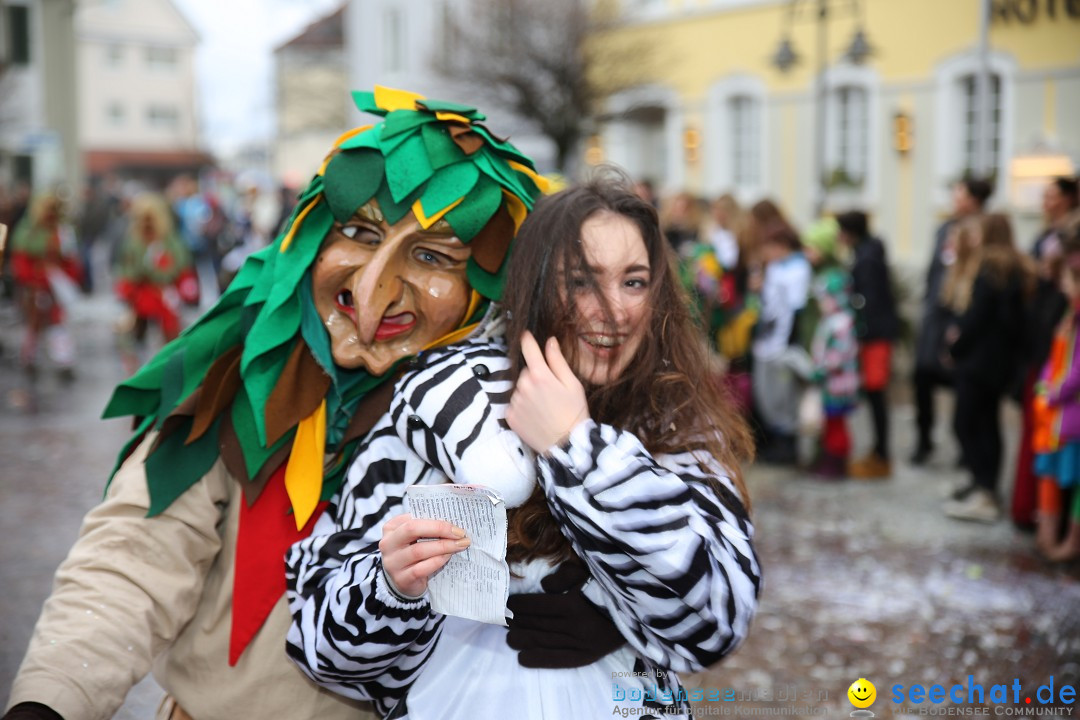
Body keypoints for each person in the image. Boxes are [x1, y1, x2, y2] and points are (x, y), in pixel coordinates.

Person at [3, 87, 546, 720]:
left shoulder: (510, 420)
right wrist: (50, 700)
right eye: (359, 232)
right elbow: (133, 559)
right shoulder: (238, 372)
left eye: (432, 256)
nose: (372, 292)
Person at [285, 177, 760, 719]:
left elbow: (717, 623)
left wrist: (576, 449)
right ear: (533, 290)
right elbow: (320, 650)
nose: (613, 310)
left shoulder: (674, 426)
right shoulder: (439, 416)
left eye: (634, 282)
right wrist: (391, 586)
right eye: (581, 281)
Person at [941, 213, 1033, 522]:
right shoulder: (1015, 266)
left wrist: (955, 346)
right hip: (999, 360)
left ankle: (985, 489)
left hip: (980, 359)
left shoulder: (990, 267)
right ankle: (985, 487)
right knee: (987, 423)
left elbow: (978, 316)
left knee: (968, 423)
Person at [911, 178, 992, 466]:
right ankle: (923, 439)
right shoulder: (944, 229)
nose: (954, 200)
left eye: (960, 194)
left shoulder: (985, 230)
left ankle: (966, 447)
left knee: (960, 384)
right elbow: (935, 271)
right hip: (935, 316)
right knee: (922, 376)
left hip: (960, 317)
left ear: (975, 199)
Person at [837, 210, 900, 479]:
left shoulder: (867, 258)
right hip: (876, 334)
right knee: (874, 396)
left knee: (876, 395)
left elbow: (869, 301)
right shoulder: (867, 253)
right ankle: (878, 453)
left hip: (875, 336)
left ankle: (881, 457)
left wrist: (860, 330)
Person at [1033, 212, 1080, 559]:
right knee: (1050, 470)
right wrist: (1045, 386)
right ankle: (1048, 535)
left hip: (1070, 411)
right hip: (1056, 412)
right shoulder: (1068, 316)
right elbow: (1056, 358)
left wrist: (1057, 390)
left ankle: (1068, 543)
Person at [751, 207, 812, 465]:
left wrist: (789, 343)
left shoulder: (798, 268)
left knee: (783, 395)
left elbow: (796, 308)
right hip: (767, 340)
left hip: (782, 342)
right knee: (767, 394)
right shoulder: (776, 268)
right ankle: (776, 442)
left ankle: (788, 446)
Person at [113, 192, 196, 374]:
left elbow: (180, 266)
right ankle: (139, 370)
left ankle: (168, 368)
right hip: (141, 296)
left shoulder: (171, 242)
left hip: (165, 296)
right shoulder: (133, 243)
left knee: (171, 337)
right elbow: (128, 270)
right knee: (134, 337)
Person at [8, 192, 82, 381]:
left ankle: (63, 361)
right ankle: (30, 358)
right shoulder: (28, 231)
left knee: (57, 322)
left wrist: (65, 277)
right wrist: (31, 279)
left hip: (56, 284)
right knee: (34, 322)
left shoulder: (63, 232)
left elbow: (71, 260)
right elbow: (20, 259)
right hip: (34, 285)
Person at [807, 267, 859, 479]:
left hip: (839, 385)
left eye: (826, 299)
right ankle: (829, 459)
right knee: (829, 423)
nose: (822, 304)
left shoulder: (843, 323)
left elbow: (839, 355)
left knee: (836, 424)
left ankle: (837, 462)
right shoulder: (829, 321)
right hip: (829, 384)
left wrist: (822, 369)